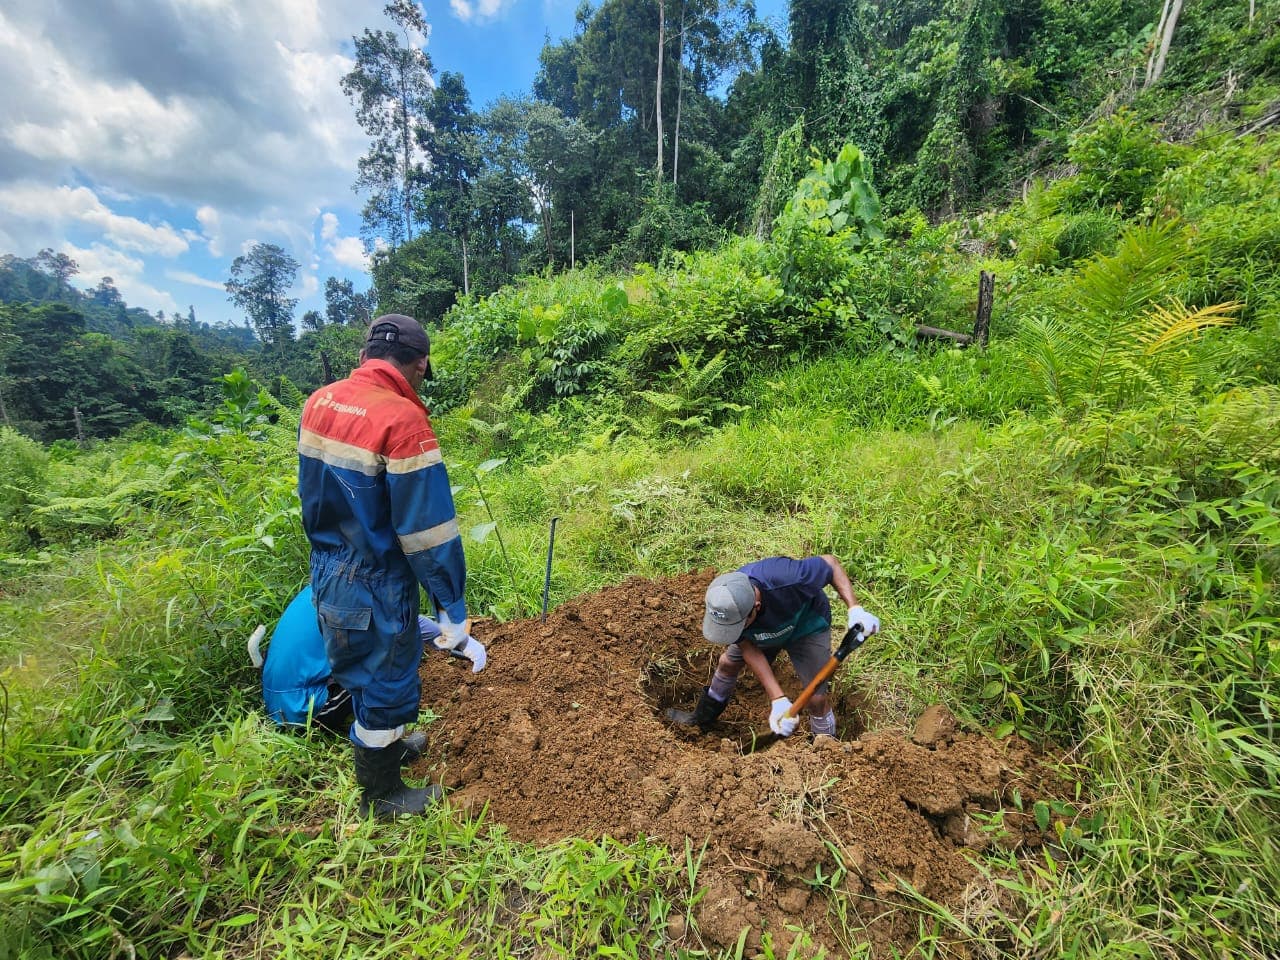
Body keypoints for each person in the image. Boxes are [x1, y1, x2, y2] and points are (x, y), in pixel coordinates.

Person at [297, 313, 486, 820]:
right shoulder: (402, 420)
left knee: (364, 669)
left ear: (365, 356)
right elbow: (428, 531)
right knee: (387, 680)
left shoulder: (320, 401)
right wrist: (452, 604)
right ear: (420, 364)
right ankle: (381, 796)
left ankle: (391, 748)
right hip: (376, 577)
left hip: (330, 565)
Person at [248, 586, 478, 764]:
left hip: (281, 692)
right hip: (302, 707)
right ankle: (386, 751)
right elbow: (407, 623)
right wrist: (459, 640)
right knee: (386, 661)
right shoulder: (359, 597)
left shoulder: (330, 585)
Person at [667, 555, 880, 739]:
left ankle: (825, 746)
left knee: (817, 698)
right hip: (762, 632)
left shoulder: (788, 578)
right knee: (727, 663)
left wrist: (855, 609)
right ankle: (702, 718)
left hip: (806, 625)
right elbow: (747, 646)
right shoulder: (728, 602)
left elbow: (831, 564)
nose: (732, 631)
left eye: (738, 625)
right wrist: (778, 699)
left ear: (755, 607)